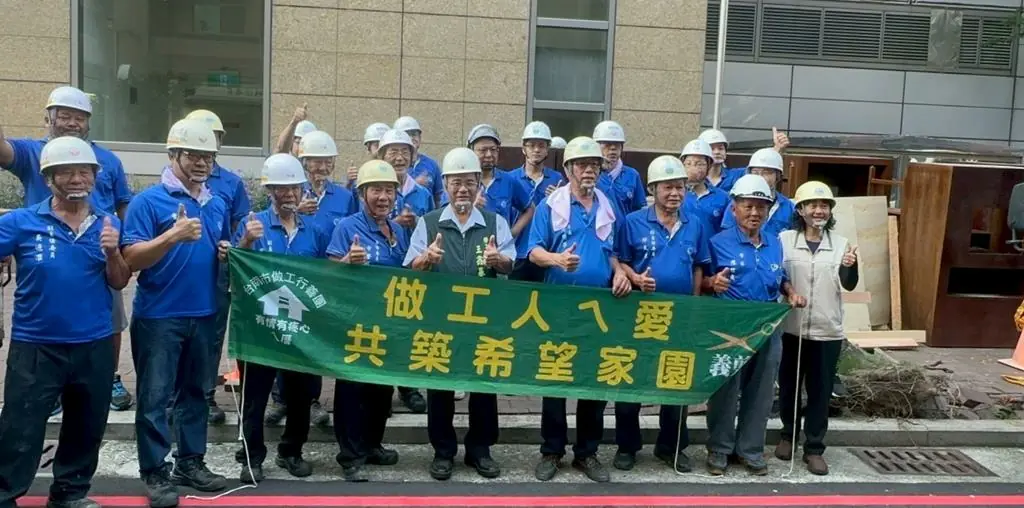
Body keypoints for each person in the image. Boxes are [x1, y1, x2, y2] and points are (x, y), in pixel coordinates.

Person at [0, 136, 131, 508]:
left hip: (94, 344)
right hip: (36, 344)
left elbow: (120, 281)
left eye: (84, 172)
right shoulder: (21, 222)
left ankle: (70, 494)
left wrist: (112, 252)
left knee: (86, 425)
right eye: (66, 172)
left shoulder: (107, 224)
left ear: (94, 176)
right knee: (20, 425)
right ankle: (5, 493)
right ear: (48, 179)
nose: (77, 179)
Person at [0, 85, 134, 414]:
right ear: (49, 118)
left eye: (80, 117)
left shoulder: (107, 159)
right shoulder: (34, 152)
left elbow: (123, 203)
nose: (73, 123)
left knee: (108, 321)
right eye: (65, 116)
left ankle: (108, 377)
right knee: (47, 312)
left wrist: (121, 245)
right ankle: (52, 386)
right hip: (45, 242)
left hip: (98, 243)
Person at [121, 119, 229, 507]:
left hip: (204, 313)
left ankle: (190, 463)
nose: (201, 163)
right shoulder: (148, 202)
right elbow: (131, 258)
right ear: (173, 155)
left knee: (196, 394)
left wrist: (228, 252)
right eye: (193, 155)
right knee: (155, 397)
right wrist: (171, 236)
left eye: (208, 157)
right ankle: (154, 471)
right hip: (159, 316)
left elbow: (212, 252)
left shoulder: (216, 202)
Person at [404, 147, 517, 481]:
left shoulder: (495, 222)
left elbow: (510, 264)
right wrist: (426, 260)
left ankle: (480, 450)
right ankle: (443, 451)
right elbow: (411, 267)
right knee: (440, 388)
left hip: (484, 321)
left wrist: (499, 261)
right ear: (445, 185)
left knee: (483, 387)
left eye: (469, 182)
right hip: (442, 320)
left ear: (479, 184)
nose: (463, 189)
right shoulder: (429, 223)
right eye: (456, 183)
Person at [528, 136, 632, 483]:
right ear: (569, 168)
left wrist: (619, 272)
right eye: (583, 164)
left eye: (595, 165)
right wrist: (557, 259)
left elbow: (613, 252)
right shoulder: (551, 206)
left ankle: (587, 452)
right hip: (559, 306)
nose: (590, 170)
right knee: (556, 378)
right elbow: (533, 251)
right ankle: (552, 450)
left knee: (594, 379)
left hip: (599, 308)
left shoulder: (608, 205)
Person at [612, 155, 712, 473]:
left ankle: (672, 446)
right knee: (630, 378)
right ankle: (627, 446)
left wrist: (694, 303)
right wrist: (635, 278)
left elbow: (698, 266)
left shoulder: (695, 224)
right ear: (653, 189)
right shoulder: (632, 222)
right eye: (668, 187)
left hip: (679, 316)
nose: (675, 193)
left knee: (675, 378)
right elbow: (620, 260)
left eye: (680, 187)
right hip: (639, 314)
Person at [230, 154, 324, 484]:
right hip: (260, 328)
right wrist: (246, 242)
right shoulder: (252, 225)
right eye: (281, 188)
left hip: (301, 329)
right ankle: (252, 456)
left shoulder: (314, 230)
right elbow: (233, 267)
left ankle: (291, 451)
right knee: (255, 396)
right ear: (269, 191)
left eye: (295, 188)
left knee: (301, 395)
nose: (289, 194)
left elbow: (327, 277)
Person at [704, 174, 807, 477]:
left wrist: (791, 292)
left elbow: (780, 277)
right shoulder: (717, 243)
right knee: (725, 389)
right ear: (734, 208)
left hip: (767, 326)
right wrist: (712, 282)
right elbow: (702, 281)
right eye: (747, 206)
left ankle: (749, 450)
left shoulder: (774, 243)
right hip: (729, 326)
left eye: (761, 207)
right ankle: (719, 449)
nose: (754, 213)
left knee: (761, 391)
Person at [266, 129, 356, 428]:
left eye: (327, 161)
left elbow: (353, 228)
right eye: (315, 161)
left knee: (312, 338)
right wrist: (298, 211)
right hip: (289, 276)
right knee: (281, 335)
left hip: (327, 274)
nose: (322, 166)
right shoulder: (292, 190)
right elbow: (272, 218)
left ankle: (312, 400)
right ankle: (280, 399)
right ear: (303, 162)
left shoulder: (345, 196)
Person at [327, 159, 409, 482]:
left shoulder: (398, 231)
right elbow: (327, 274)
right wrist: (348, 260)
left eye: (389, 190)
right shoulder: (347, 228)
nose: (383, 197)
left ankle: (372, 444)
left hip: (387, 322)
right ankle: (350, 455)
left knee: (381, 389)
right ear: (362, 193)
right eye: (376, 190)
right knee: (352, 389)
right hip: (355, 323)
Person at [776, 181, 858, 476]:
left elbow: (849, 284)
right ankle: (788, 436)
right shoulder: (784, 241)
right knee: (788, 387)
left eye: (824, 206)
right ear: (800, 210)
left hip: (827, 331)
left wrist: (850, 265)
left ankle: (814, 448)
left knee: (820, 392)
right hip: (791, 329)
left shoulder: (841, 244)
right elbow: (778, 278)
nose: (819, 211)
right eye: (813, 205)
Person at [184, 108, 251, 425]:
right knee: (179, 331)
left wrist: (233, 248)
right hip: (181, 269)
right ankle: (176, 395)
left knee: (211, 332)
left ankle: (206, 395)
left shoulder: (231, 183)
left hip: (217, 270)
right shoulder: (172, 178)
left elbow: (239, 224)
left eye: (213, 137)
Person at [378, 127, 433, 412]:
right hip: (384, 269)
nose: (399, 158)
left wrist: (415, 224)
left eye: (404, 152)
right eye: (393, 152)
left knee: (410, 330)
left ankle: (408, 386)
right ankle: (383, 389)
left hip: (414, 271)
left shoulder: (422, 193)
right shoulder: (374, 187)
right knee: (384, 330)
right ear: (382, 156)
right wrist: (395, 224)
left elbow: (432, 226)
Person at [508, 121, 565, 282]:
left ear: (548, 149)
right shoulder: (511, 178)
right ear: (523, 148)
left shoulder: (557, 179)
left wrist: (558, 199)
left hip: (545, 252)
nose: (536, 150)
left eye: (541, 145)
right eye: (531, 145)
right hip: (517, 251)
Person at [720, 148, 795, 238]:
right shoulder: (738, 203)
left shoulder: (789, 207)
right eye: (755, 172)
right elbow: (727, 234)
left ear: (778, 176)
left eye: (766, 173)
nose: (760, 177)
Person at [593, 120, 646, 221]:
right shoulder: (590, 175)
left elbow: (639, 211)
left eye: (617, 145)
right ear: (596, 146)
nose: (612, 149)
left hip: (624, 229)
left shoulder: (632, 175)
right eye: (607, 144)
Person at [680, 139, 730, 235]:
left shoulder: (723, 197)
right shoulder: (675, 195)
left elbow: (727, 232)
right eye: (688, 163)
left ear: (709, 166)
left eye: (700, 164)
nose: (693, 168)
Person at [395, 116, 443, 205]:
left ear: (420, 138)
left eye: (414, 134)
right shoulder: (393, 165)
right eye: (407, 134)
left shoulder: (431, 164)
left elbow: (439, 197)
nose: (411, 138)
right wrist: (415, 185)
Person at [345, 122, 391, 187]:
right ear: (368, 148)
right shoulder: (363, 175)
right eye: (377, 145)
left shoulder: (399, 173)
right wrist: (349, 184)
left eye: (384, 146)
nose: (381, 150)